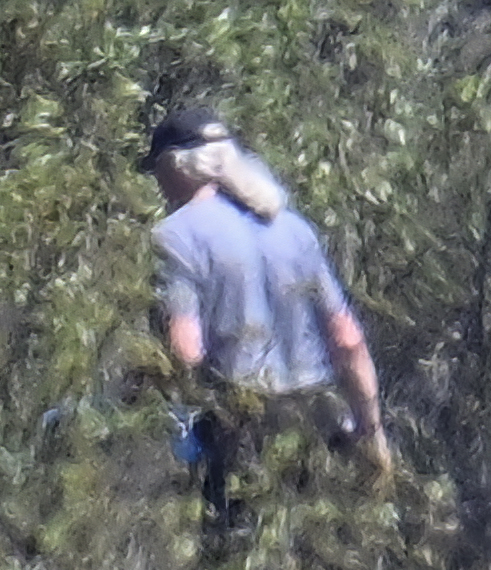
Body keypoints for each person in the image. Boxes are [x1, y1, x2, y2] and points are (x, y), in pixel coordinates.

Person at [144, 106, 392, 532]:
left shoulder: (173, 237)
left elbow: (186, 351)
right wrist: (371, 431)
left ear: (176, 168)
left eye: (156, 171)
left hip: (240, 426)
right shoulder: (296, 231)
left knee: (233, 560)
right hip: (315, 423)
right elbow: (348, 339)